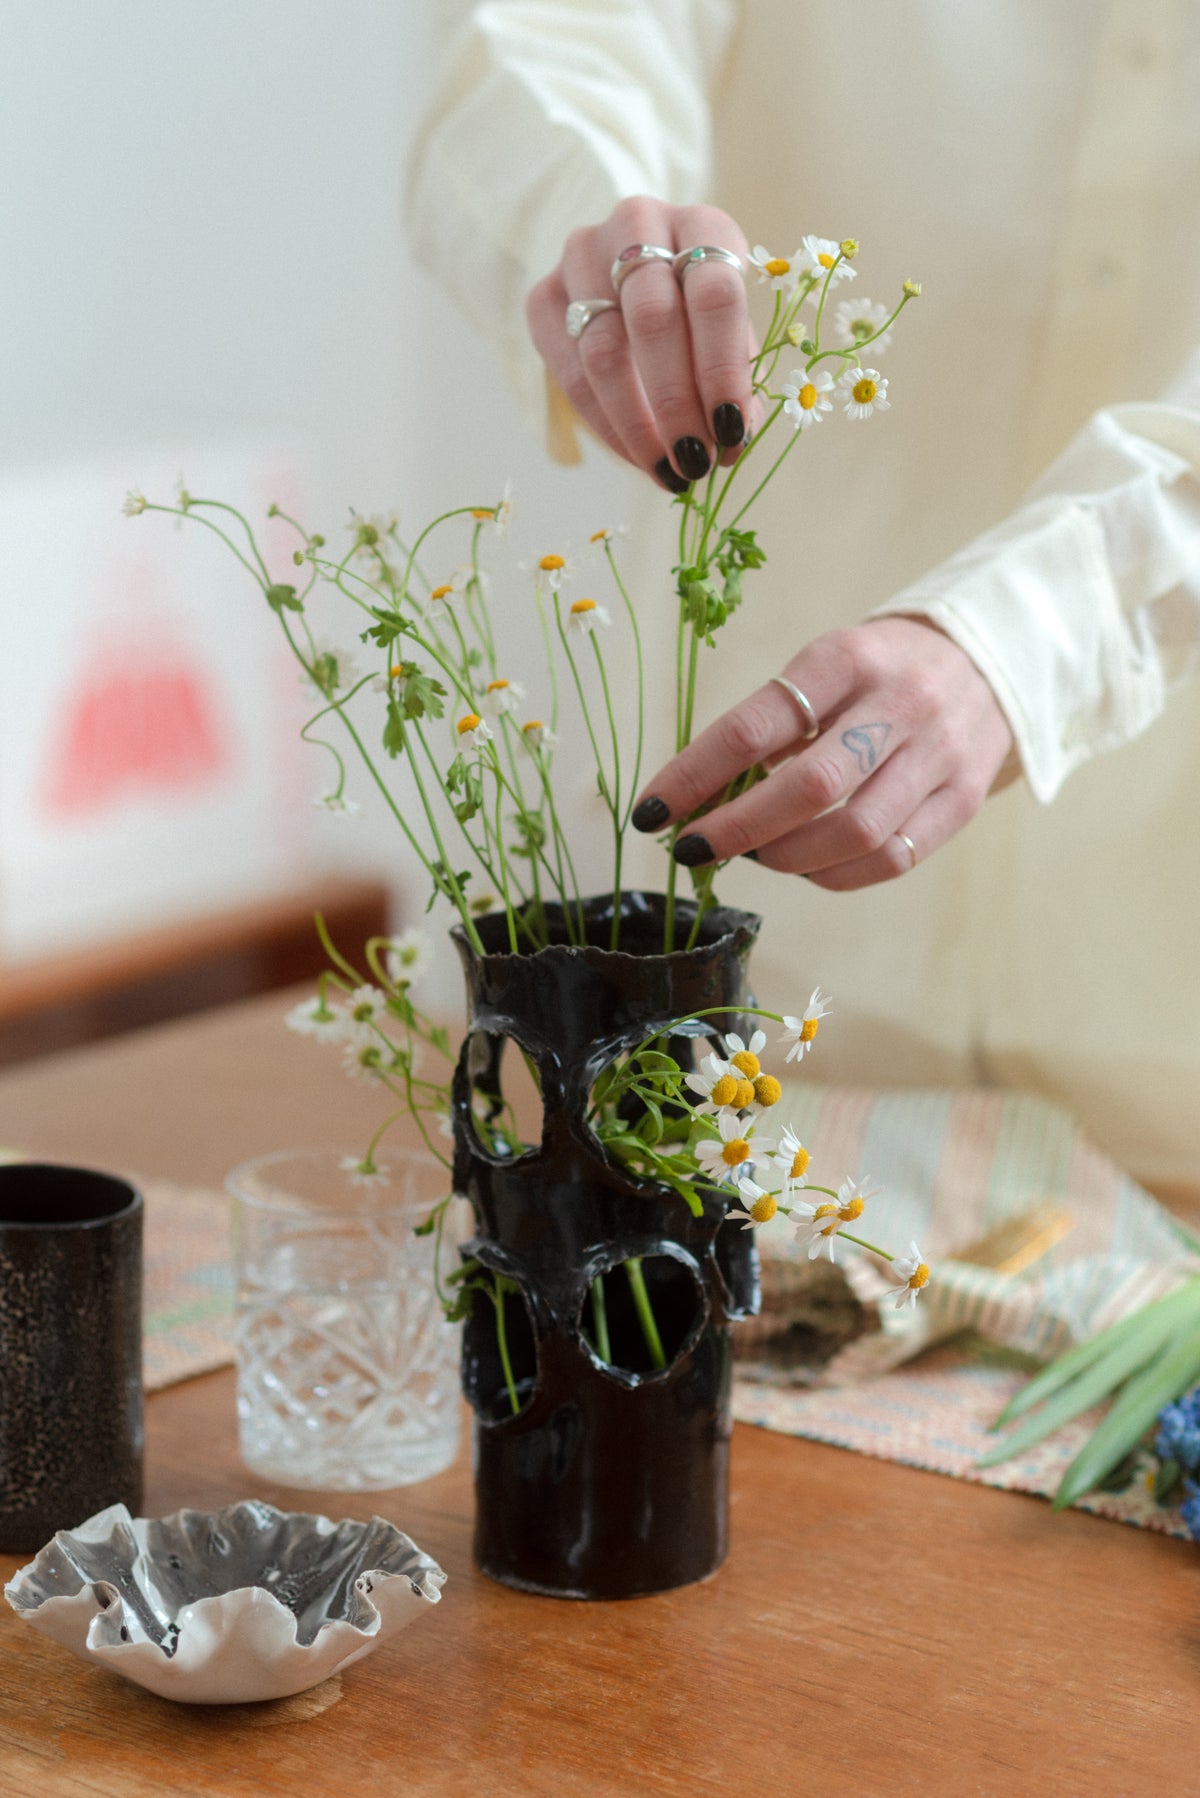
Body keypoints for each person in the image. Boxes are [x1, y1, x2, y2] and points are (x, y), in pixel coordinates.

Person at [406, 0, 1200, 1186]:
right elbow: (542, 37)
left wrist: (1020, 642)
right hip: (692, 1043)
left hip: (1163, 1067)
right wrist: (592, 225)